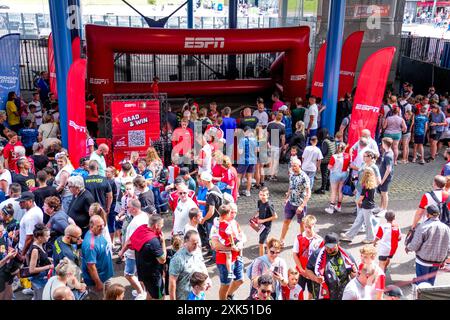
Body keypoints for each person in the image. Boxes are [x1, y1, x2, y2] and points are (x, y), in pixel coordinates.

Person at [406, 204, 450, 286]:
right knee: (430, 284)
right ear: (439, 214)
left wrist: (408, 248)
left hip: (423, 261)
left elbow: (415, 245)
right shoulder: (446, 228)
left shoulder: (423, 227)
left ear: (427, 214)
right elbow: (448, 247)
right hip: (437, 261)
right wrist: (444, 259)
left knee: (422, 285)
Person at [305, 233, 357, 300]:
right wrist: (315, 278)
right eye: (327, 246)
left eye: (332, 246)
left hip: (343, 293)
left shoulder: (346, 256)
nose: (329, 249)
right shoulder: (317, 255)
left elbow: (354, 276)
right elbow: (308, 270)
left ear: (338, 244)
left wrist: (354, 272)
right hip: (323, 293)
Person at [117, 199, 148, 300]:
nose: (127, 209)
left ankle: (141, 292)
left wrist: (122, 251)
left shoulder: (136, 222)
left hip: (132, 253)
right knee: (140, 273)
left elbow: (130, 241)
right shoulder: (144, 215)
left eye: (128, 207)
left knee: (128, 274)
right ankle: (142, 290)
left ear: (134, 209)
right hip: (140, 252)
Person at [132, 214, 167, 300]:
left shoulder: (141, 230)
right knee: (160, 297)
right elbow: (162, 259)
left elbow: (130, 241)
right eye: (161, 224)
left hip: (143, 272)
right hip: (153, 276)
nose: (162, 226)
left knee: (150, 293)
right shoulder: (153, 241)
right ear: (156, 226)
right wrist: (163, 242)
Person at [340, 168, 378, 244]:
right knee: (359, 221)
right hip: (368, 206)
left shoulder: (366, 185)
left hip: (366, 206)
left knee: (368, 223)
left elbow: (362, 196)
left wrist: (358, 201)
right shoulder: (372, 184)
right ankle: (349, 235)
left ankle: (370, 238)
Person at [169, 230, 208, 300]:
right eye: (194, 243)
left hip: (198, 295)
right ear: (186, 242)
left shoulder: (197, 252)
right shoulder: (178, 259)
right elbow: (172, 282)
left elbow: (202, 265)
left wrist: (207, 280)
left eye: (197, 243)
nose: (196, 246)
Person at [81, 215, 114, 300]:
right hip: (98, 280)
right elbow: (91, 267)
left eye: (103, 225)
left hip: (106, 275)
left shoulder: (98, 233)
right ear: (91, 226)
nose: (102, 228)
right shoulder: (90, 245)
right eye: (99, 226)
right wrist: (98, 283)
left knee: (108, 296)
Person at [279, 158, 311, 246]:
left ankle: (302, 241)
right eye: (292, 166)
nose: (293, 167)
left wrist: (302, 206)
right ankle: (281, 239)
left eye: (295, 166)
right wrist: (287, 197)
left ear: (299, 166)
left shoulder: (304, 177)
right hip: (290, 203)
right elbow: (291, 186)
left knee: (302, 224)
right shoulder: (292, 175)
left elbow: (308, 193)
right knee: (286, 221)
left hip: (300, 204)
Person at [292, 215, 323, 300]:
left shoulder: (320, 240)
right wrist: (301, 269)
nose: (308, 229)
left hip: (312, 273)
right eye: (306, 227)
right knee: (297, 292)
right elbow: (295, 254)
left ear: (314, 225)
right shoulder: (299, 238)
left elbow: (321, 258)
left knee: (311, 292)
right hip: (300, 271)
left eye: (310, 227)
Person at [27, 223, 52, 300]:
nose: (49, 237)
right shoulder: (35, 250)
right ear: (40, 237)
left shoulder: (41, 244)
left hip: (41, 278)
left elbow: (39, 257)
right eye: (47, 236)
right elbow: (32, 270)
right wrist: (49, 266)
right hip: (38, 279)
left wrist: (48, 258)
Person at [325, 142, 350, 214]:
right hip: (344, 174)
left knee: (334, 191)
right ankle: (338, 206)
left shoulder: (334, 156)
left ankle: (331, 208)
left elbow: (329, 167)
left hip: (335, 174)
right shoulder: (348, 156)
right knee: (340, 190)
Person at [18, 192, 44, 259]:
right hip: (29, 249)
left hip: (28, 251)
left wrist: (23, 254)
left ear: (30, 201)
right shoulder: (33, 209)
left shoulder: (31, 216)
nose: (19, 203)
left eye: (22, 202)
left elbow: (29, 238)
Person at [256, 187, 277, 257]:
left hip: (267, 226)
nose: (262, 197)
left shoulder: (269, 205)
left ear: (267, 195)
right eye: (261, 195)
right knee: (264, 238)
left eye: (264, 195)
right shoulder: (259, 202)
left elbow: (275, 216)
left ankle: (261, 258)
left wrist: (263, 220)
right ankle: (271, 247)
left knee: (261, 243)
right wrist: (255, 217)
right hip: (261, 225)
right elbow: (259, 211)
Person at [236, 126, 257, 197]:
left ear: (244, 132)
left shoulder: (242, 140)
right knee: (250, 176)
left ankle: (236, 192)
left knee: (238, 176)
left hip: (244, 160)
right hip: (252, 160)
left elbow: (240, 152)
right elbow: (257, 150)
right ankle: (248, 191)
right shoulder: (254, 140)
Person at [377, 137, 394, 217]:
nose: (381, 144)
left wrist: (383, 180)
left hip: (385, 178)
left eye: (382, 143)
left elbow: (388, 169)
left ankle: (384, 210)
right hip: (382, 176)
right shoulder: (387, 152)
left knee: (384, 194)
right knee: (382, 193)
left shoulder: (388, 155)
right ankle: (381, 207)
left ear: (385, 144)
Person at [267, 112, 286, 181]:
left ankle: (270, 174)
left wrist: (266, 143)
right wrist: (283, 146)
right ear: (281, 118)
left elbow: (267, 135)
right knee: (275, 160)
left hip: (270, 144)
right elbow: (283, 138)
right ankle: (274, 174)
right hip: (277, 145)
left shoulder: (270, 124)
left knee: (270, 160)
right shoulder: (282, 126)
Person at [316, 128, 335, 194]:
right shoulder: (332, 139)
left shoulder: (325, 141)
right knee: (328, 173)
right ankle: (327, 186)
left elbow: (324, 152)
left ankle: (322, 189)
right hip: (331, 159)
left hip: (325, 160)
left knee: (324, 174)